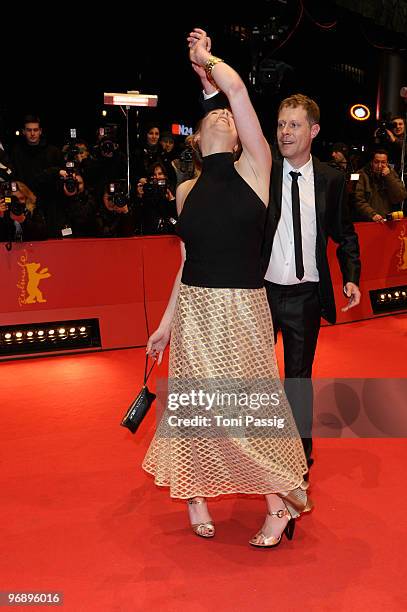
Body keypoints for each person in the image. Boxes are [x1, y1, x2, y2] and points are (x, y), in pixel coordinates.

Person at [142, 28, 312, 549]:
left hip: (242, 309)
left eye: (227, 118)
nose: (220, 118)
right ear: (196, 137)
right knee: (195, 406)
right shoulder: (187, 190)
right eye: (210, 117)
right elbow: (185, 262)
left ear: (240, 135)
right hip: (194, 308)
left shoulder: (257, 168)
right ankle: (195, 494)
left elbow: (236, 93)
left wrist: (206, 61)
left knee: (252, 406)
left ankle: (277, 503)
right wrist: (165, 325)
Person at [202, 89, 362, 467]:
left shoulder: (332, 179)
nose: (285, 133)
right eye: (280, 125)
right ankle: (249, 450)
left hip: (307, 296)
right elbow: (224, 137)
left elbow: (346, 233)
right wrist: (211, 92)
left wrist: (351, 276)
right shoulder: (263, 169)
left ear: (314, 130)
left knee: (298, 379)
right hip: (261, 293)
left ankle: (299, 453)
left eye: (294, 125)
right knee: (251, 376)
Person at [353, 149, 407, 222]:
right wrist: (372, 214)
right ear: (371, 162)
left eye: (383, 162)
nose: (379, 166)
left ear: (387, 163)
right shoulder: (362, 175)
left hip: (388, 221)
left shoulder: (391, 173)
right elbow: (358, 200)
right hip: (368, 221)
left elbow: (400, 196)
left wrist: (389, 177)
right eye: (376, 162)